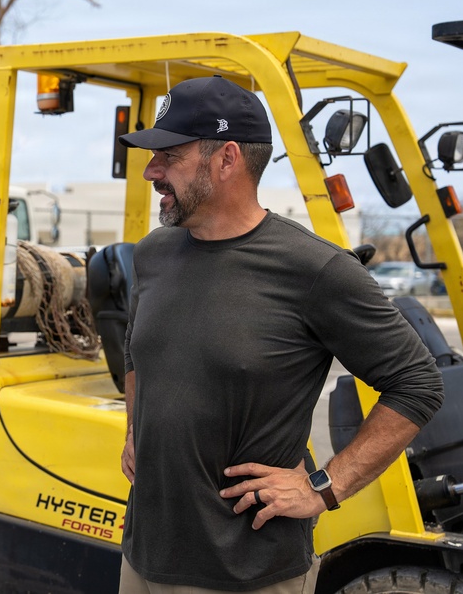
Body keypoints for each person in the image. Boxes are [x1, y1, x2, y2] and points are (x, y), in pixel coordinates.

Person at [116, 76, 444, 593]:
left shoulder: (317, 270)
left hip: (245, 570)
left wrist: (325, 486)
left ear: (226, 159)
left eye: (169, 156)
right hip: (142, 555)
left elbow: (418, 383)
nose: (151, 172)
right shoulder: (153, 253)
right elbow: (138, 351)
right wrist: (136, 428)